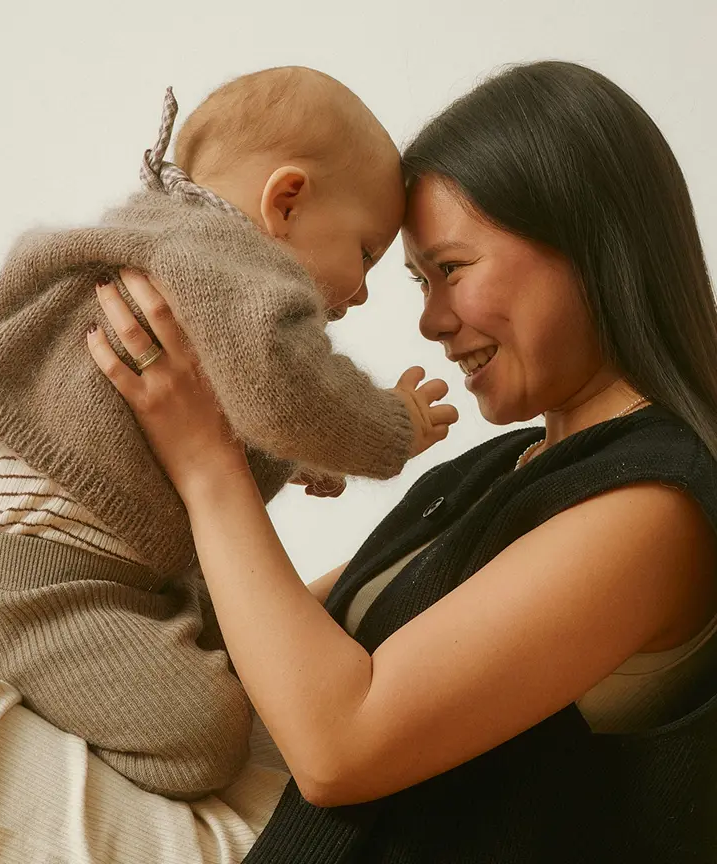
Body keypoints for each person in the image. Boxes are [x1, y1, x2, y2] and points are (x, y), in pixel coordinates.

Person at [86, 60, 717, 861]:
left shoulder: (653, 507)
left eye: (450, 270)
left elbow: (339, 747)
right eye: (419, 281)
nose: (430, 321)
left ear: (588, 241)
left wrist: (206, 460)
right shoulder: (499, 471)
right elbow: (267, 640)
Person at [0, 66, 454, 800]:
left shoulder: (164, 236)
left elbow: (233, 401)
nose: (365, 289)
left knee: (253, 640)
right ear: (287, 200)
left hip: (74, 573)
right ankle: (26, 743)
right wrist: (392, 425)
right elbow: (285, 388)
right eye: (367, 252)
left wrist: (299, 449)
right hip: (46, 597)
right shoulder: (228, 264)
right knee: (211, 738)